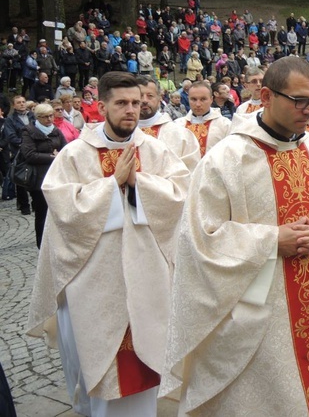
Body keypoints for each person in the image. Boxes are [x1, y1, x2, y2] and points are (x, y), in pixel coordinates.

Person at [162, 56, 309, 415]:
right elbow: (199, 238)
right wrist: (271, 241)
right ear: (265, 96)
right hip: (260, 312)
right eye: (299, 100)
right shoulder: (227, 159)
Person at [27, 71, 190, 416]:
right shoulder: (74, 155)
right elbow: (62, 209)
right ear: (101, 106)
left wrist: (140, 184)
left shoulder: (156, 150)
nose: (131, 109)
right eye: (121, 103)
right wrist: (112, 185)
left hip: (149, 278)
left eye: (136, 102)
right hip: (95, 283)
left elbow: (181, 196)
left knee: (149, 375)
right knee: (102, 374)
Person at [20, 103, 66, 248]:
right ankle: (42, 244)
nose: (49, 119)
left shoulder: (55, 130)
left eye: (51, 115)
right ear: (38, 117)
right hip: (39, 178)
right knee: (42, 213)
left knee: (58, 211)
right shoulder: (29, 131)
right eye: (45, 117)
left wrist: (59, 155)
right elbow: (29, 155)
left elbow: (65, 149)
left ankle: (58, 242)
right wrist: (52, 157)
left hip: (57, 176)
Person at [137, 76, 200, 172]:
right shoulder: (120, 134)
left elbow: (190, 173)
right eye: (140, 96)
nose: (145, 100)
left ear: (159, 98)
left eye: (150, 96)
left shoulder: (180, 134)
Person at [174, 81, 231, 157]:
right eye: (193, 99)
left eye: (203, 99)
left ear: (211, 99)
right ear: (188, 99)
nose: (198, 104)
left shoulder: (225, 125)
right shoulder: (177, 125)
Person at [2, 95, 35, 215]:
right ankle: (24, 206)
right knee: (21, 180)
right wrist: (25, 143)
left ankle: (35, 203)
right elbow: (11, 137)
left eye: (23, 102)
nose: (22, 104)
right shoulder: (10, 119)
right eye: (19, 102)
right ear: (14, 105)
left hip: (34, 150)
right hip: (19, 153)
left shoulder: (32, 116)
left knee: (35, 177)